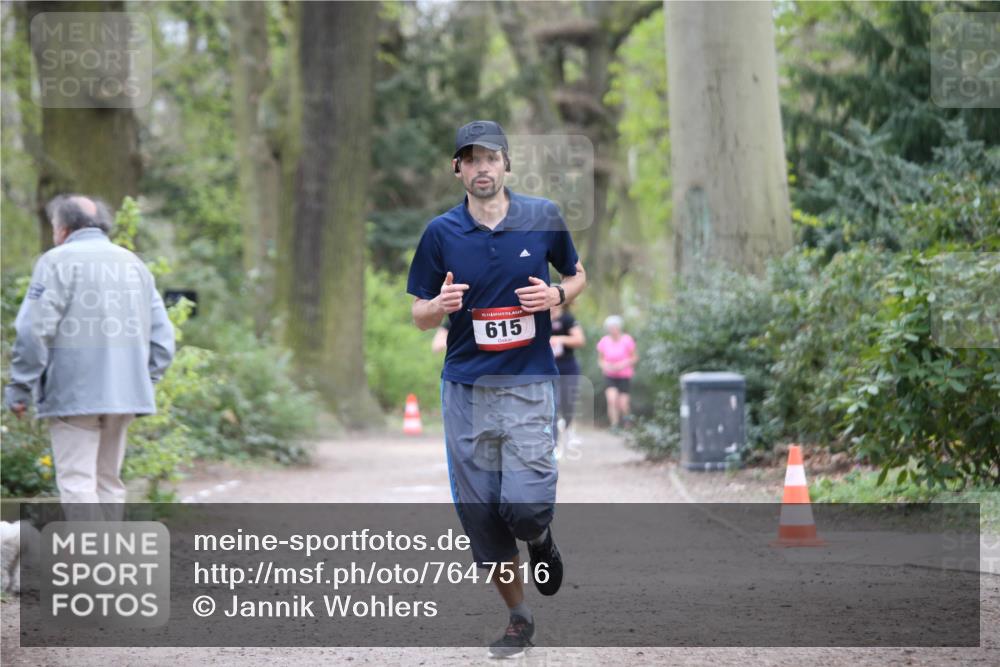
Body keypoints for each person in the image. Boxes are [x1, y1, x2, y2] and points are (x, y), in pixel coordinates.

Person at [408, 120, 586, 658]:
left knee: (525, 506)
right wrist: (437, 306)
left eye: (490, 158)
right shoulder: (440, 233)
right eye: (471, 159)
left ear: (506, 163)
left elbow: (577, 274)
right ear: (457, 168)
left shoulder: (542, 217)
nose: (481, 168)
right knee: (480, 511)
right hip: (466, 388)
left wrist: (557, 296)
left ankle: (539, 537)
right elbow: (419, 314)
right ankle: (518, 616)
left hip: (528, 381)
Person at [4, 195, 175, 520]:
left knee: (78, 482)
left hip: (72, 392)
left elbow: (33, 329)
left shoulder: (56, 261)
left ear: (63, 229)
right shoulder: (134, 265)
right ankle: (109, 552)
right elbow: (163, 339)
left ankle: (91, 554)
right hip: (125, 394)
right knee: (109, 481)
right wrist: (144, 379)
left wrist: (21, 387)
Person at [549, 302, 585, 457]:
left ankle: (569, 429)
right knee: (553, 404)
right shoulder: (541, 318)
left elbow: (580, 340)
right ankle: (554, 444)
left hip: (568, 368)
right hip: (549, 369)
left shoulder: (567, 319)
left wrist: (559, 339)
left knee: (568, 403)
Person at [596, 315, 637, 432]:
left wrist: (623, 364)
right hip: (610, 375)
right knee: (612, 399)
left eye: (615, 327)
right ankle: (614, 425)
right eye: (610, 327)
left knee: (623, 403)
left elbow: (634, 357)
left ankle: (627, 424)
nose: (613, 330)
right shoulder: (604, 341)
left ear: (619, 327)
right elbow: (600, 360)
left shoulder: (627, 340)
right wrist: (605, 365)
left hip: (624, 375)